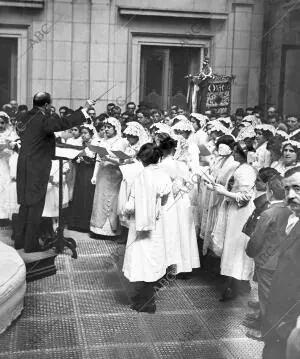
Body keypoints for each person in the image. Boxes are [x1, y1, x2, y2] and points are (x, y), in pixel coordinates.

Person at [14, 92, 94, 252]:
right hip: (37, 166)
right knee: (36, 205)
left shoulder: (22, 117)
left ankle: (20, 242)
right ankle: (31, 245)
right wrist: (84, 109)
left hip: (23, 164)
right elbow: (63, 123)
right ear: (46, 105)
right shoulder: (44, 119)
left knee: (25, 204)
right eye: (50, 105)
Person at [122, 143, 174, 313]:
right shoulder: (163, 175)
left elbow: (131, 205)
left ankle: (147, 302)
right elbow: (166, 198)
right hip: (158, 223)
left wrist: (126, 211)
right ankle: (146, 295)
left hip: (140, 224)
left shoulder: (141, 176)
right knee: (154, 258)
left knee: (141, 258)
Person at [245, 174, 291, 340]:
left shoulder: (268, 213)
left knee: (266, 299)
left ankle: (266, 333)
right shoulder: (289, 210)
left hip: (267, 262)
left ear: (270, 192)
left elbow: (257, 239)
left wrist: (250, 251)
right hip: (284, 262)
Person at [261, 166, 300, 359]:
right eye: (287, 189)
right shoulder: (293, 219)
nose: (291, 195)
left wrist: (290, 325)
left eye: (298, 189)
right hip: (279, 318)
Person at [212, 142, 256, 301]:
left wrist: (224, 192)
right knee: (231, 246)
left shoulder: (247, 171)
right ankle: (235, 282)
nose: (234, 155)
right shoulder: (240, 167)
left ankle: (236, 283)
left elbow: (245, 197)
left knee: (237, 246)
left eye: (236, 152)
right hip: (234, 211)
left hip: (241, 213)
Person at [90, 117, 128, 239]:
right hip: (103, 173)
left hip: (115, 174)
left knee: (113, 200)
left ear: (115, 128)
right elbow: (97, 159)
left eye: (109, 127)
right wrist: (94, 175)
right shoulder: (102, 141)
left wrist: (109, 158)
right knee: (100, 198)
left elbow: (123, 161)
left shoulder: (122, 142)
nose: (106, 129)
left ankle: (112, 230)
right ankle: (98, 229)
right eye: (105, 127)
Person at [68, 124, 96, 232]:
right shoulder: (81, 143)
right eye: (82, 133)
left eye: (86, 133)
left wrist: (84, 157)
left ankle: (84, 224)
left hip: (89, 172)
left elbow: (93, 159)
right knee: (78, 193)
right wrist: (77, 158)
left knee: (86, 194)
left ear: (91, 134)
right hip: (80, 171)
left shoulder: (94, 144)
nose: (83, 135)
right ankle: (75, 223)